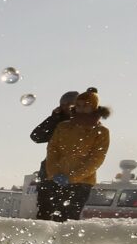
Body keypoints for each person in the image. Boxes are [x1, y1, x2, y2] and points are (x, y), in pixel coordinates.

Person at [42, 89, 111, 221]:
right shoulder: (63, 126)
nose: (81, 108)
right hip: (56, 179)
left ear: (94, 107)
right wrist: (54, 173)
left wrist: (73, 177)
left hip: (82, 182)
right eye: (78, 105)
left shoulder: (101, 131)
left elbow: (96, 158)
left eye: (86, 105)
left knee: (70, 218)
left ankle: (66, 242)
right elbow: (52, 150)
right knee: (52, 218)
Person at [30, 91, 84, 220]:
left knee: (67, 215)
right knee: (45, 211)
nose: (67, 108)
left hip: (74, 172)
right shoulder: (57, 121)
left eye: (71, 104)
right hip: (50, 171)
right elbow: (36, 136)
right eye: (63, 105)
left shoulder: (86, 123)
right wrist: (54, 117)